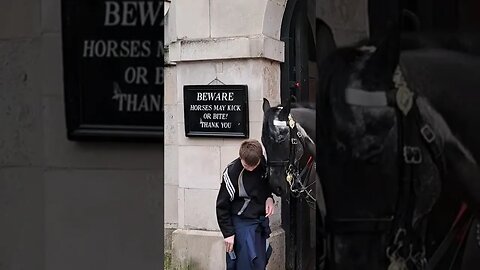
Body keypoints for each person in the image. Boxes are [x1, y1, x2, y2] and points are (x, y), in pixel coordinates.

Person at [216, 139, 275, 270]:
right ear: (241, 157)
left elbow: (267, 185)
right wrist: (228, 233)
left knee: (260, 264)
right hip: (241, 223)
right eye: (247, 165)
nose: (250, 168)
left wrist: (269, 197)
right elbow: (222, 206)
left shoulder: (263, 165)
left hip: (259, 222)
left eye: (254, 165)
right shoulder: (232, 172)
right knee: (244, 265)